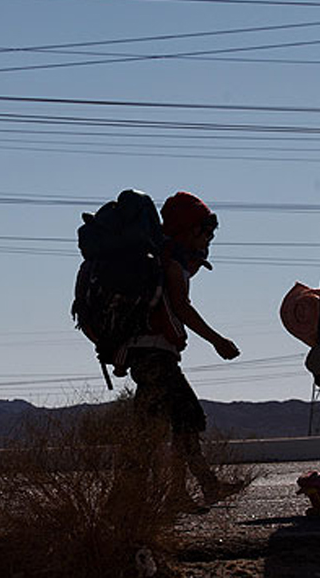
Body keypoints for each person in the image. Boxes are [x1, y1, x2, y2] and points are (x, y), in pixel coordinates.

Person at [114, 192, 245, 512]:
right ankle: (199, 486)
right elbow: (182, 308)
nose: (210, 239)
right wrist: (217, 340)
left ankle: (138, 502)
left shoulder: (167, 259)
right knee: (187, 416)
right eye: (207, 232)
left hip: (148, 356)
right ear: (190, 229)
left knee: (153, 429)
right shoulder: (171, 263)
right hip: (155, 356)